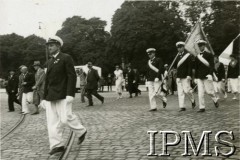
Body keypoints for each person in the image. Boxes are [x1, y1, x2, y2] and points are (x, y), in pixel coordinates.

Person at [40, 36, 87, 155]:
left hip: (63, 93)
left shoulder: (66, 58)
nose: (49, 48)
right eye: (48, 46)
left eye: (51, 45)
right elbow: (47, 81)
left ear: (58, 46)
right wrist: (44, 98)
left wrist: (70, 94)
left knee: (65, 118)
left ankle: (81, 131)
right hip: (51, 95)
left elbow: (71, 76)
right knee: (52, 122)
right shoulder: (49, 62)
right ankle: (57, 145)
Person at [194, 40, 219, 112]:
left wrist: (210, 74)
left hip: (207, 75)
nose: (200, 47)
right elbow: (196, 67)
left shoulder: (209, 55)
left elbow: (212, 65)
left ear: (204, 46)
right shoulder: (197, 56)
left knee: (209, 92)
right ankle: (202, 107)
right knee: (200, 93)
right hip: (199, 76)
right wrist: (195, 77)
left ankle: (214, 99)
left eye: (201, 45)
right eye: (199, 46)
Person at [175, 41, 196, 112]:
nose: (179, 49)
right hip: (179, 76)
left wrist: (189, 75)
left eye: (180, 47)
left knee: (187, 91)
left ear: (183, 47)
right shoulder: (177, 56)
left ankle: (192, 99)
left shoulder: (188, 55)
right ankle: (182, 106)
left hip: (185, 76)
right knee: (180, 92)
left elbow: (190, 66)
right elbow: (176, 66)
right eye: (178, 48)